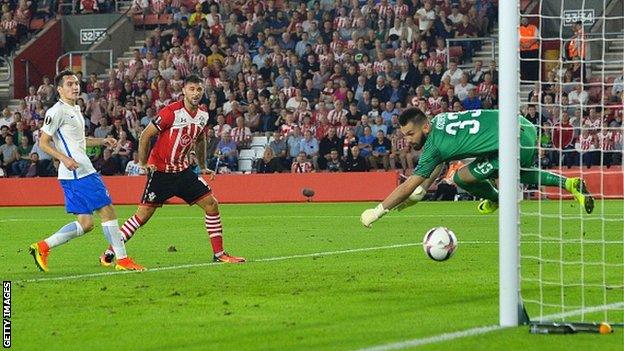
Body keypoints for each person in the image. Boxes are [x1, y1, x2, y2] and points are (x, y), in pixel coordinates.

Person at [360, 108, 594, 228]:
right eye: (405, 135)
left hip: (513, 139)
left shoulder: (432, 146)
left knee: (462, 178)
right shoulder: (441, 119)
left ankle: (497, 199)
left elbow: (411, 181)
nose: (409, 140)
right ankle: (570, 183)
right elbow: (440, 161)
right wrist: (424, 190)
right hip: (524, 126)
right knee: (511, 169)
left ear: (425, 128)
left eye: (411, 134)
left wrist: (379, 210)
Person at [99, 75, 245, 265]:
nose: (196, 93)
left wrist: (202, 166)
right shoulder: (171, 112)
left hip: (183, 171)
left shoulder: (203, 115)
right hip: (160, 172)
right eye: (191, 89)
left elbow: (200, 140)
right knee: (142, 216)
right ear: (184, 91)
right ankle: (110, 252)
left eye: (199, 89)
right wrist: (143, 163)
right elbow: (145, 136)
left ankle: (219, 254)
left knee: (212, 204)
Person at [29, 70, 143, 272]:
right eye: (70, 84)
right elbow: (43, 142)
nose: (75, 87)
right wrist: (64, 158)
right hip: (78, 171)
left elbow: (79, 140)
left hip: (74, 172)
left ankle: (42, 246)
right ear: (59, 89)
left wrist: (102, 140)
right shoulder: (57, 111)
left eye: (76, 83)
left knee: (86, 223)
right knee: (108, 211)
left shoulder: (75, 110)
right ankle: (123, 260)